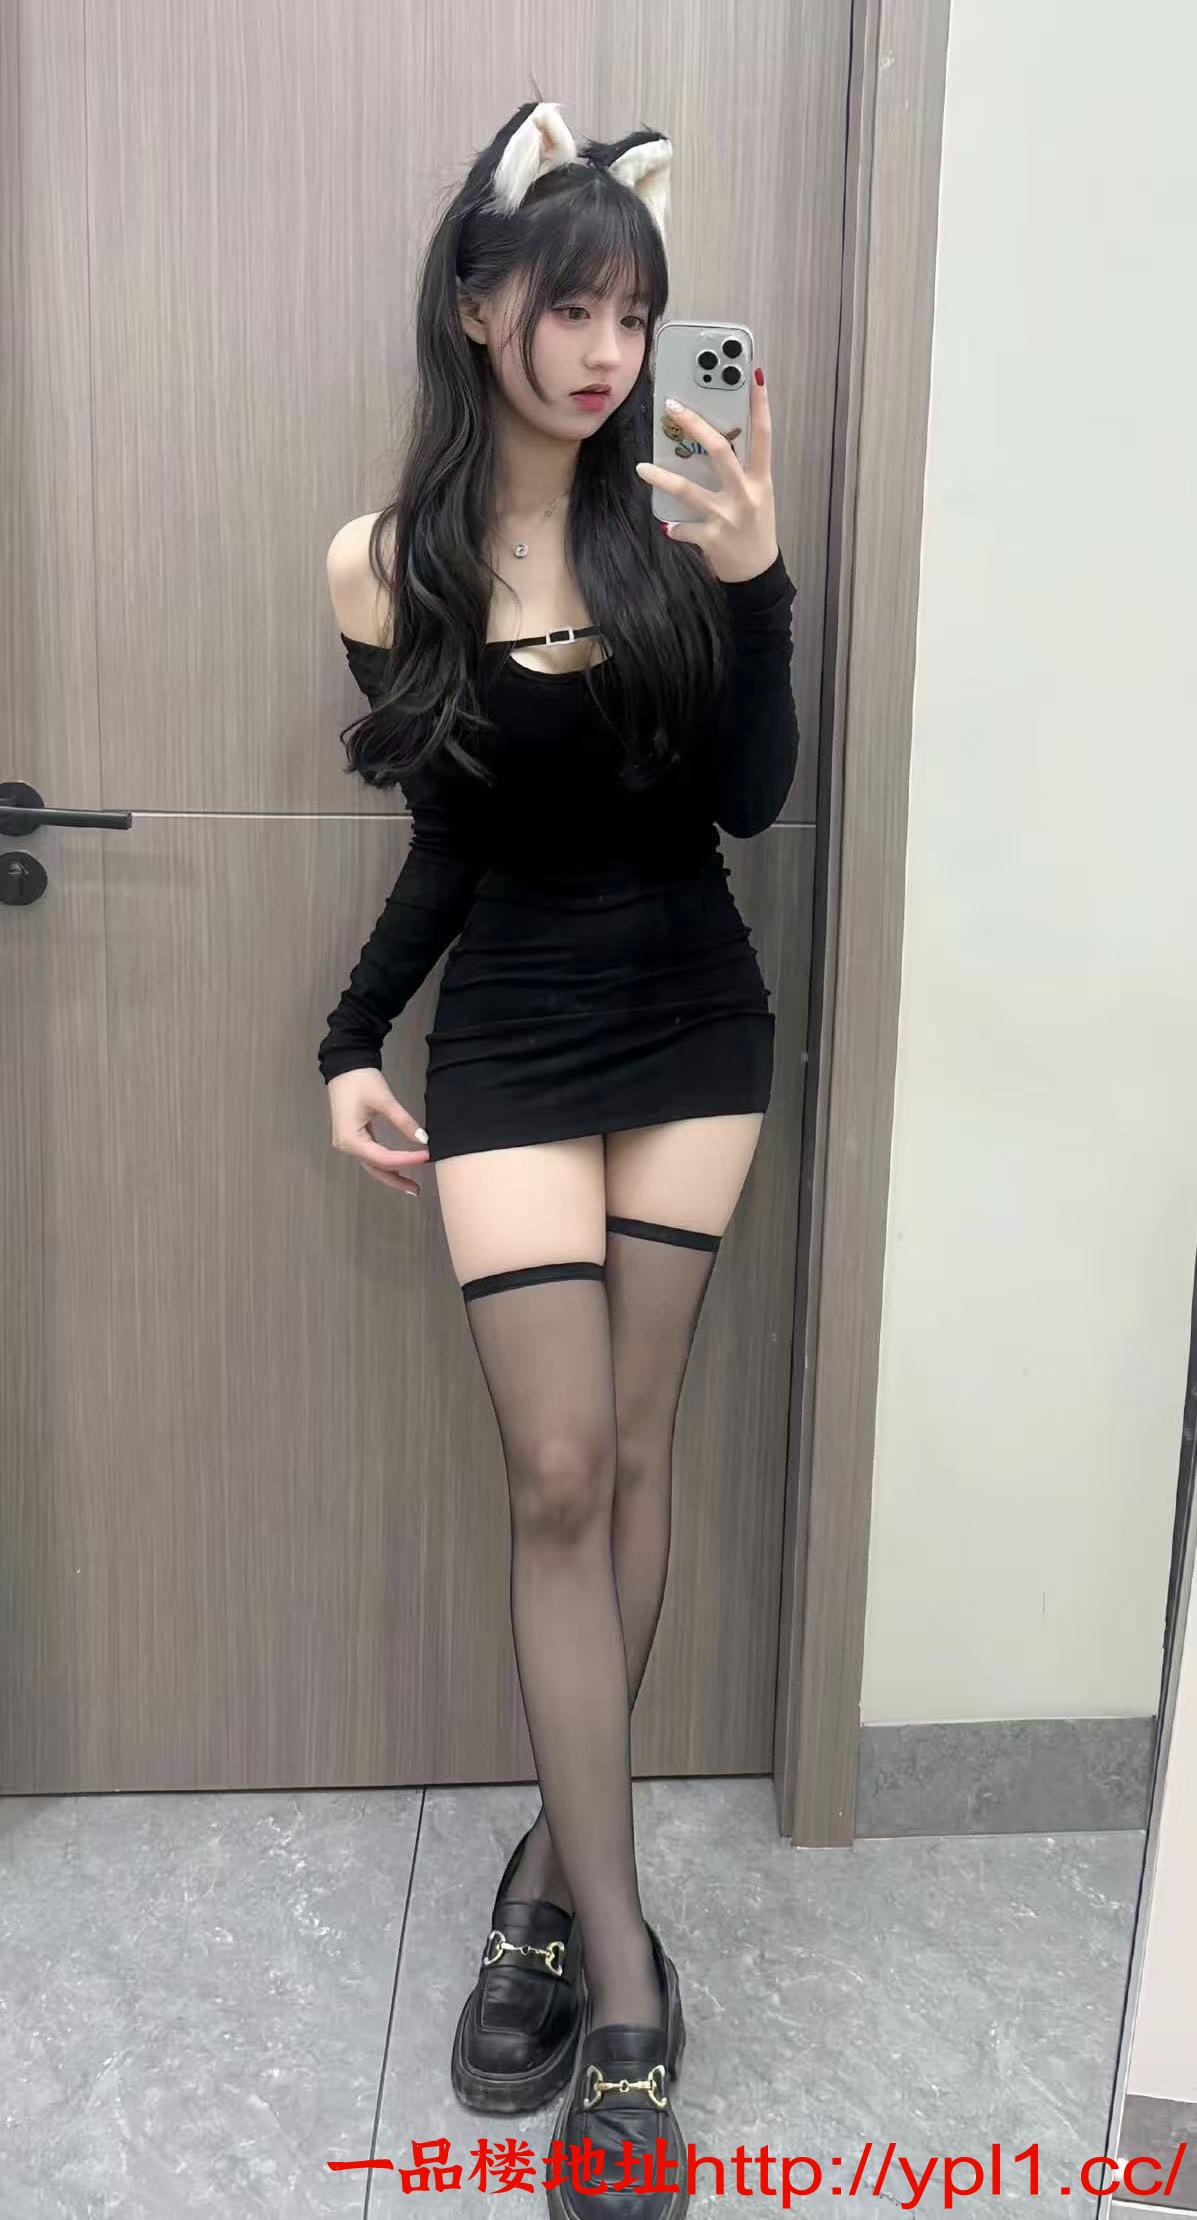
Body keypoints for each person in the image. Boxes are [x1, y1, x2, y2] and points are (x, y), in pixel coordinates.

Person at [318, 96, 798, 2220]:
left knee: (639, 1449)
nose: (607, 353)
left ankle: (566, 1926)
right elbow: (452, 826)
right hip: (512, 1025)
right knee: (556, 1470)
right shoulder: (382, 562)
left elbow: (751, 799)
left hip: (692, 1013)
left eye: (634, 314)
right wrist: (348, 1037)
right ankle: (621, 1956)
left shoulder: (678, 519)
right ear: (475, 306)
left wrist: (752, 581)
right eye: (569, 306)